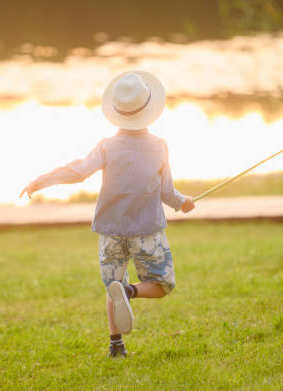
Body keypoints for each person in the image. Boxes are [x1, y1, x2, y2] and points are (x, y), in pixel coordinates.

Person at [20, 70, 195, 358]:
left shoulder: (107, 146)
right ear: (149, 109)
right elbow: (167, 193)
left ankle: (116, 345)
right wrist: (183, 202)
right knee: (162, 285)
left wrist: (43, 179)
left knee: (113, 284)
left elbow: (77, 171)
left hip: (110, 231)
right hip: (147, 231)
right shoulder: (159, 146)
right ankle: (131, 292)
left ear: (117, 111)